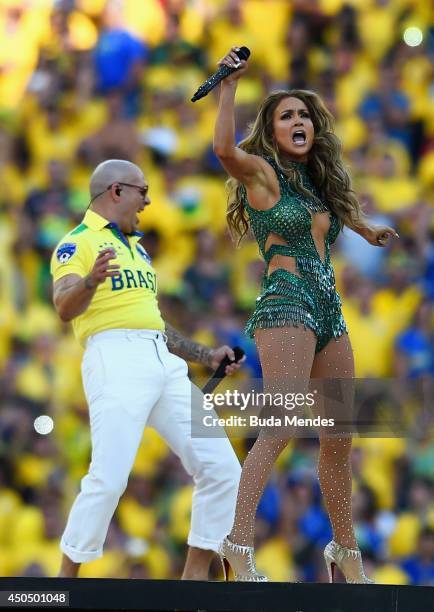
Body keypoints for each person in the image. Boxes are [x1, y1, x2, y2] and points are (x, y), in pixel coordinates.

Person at [213, 47, 399, 583]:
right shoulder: (263, 175)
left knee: (340, 437)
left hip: (329, 313)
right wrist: (228, 87)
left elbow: (332, 214)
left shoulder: (317, 183)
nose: (299, 122)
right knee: (283, 422)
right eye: (286, 116)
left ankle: (345, 552)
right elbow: (223, 149)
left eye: (304, 115)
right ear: (271, 132)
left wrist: (365, 230)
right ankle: (237, 543)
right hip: (286, 304)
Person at [50, 159, 242, 579]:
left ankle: (194, 577)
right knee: (110, 477)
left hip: (161, 359)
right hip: (113, 357)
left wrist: (203, 355)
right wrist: (89, 282)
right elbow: (64, 307)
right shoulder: (76, 242)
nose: (149, 200)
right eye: (142, 190)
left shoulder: (137, 248)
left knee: (223, 467)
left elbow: (152, 322)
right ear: (116, 191)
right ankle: (64, 582)